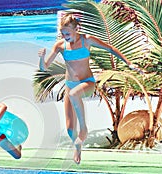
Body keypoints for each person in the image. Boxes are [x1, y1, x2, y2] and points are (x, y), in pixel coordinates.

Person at [38, 13, 141, 164]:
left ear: (76, 29)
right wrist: (41, 58)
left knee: (74, 94)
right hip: (70, 85)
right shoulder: (60, 46)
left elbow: (110, 49)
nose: (65, 36)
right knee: (69, 129)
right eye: (62, 34)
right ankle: (77, 146)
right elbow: (44, 67)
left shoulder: (87, 40)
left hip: (87, 83)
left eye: (67, 33)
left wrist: (129, 63)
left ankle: (84, 128)